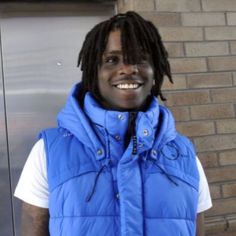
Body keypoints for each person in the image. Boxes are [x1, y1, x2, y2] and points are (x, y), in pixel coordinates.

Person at [15, 11, 212, 236]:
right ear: (93, 72)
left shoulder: (184, 153)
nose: (128, 69)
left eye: (140, 59)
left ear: (155, 70)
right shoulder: (49, 152)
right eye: (112, 60)